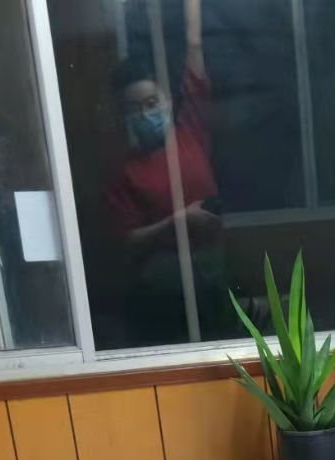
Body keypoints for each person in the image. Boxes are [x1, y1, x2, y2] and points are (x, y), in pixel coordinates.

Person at [104, 0, 228, 344]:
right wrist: (178, 222)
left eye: (151, 103)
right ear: (122, 116)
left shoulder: (192, 131)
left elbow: (195, 49)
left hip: (212, 274)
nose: (145, 113)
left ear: (167, 101)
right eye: (133, 108)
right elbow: (127, 243)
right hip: (161, 291)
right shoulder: (124, 174)